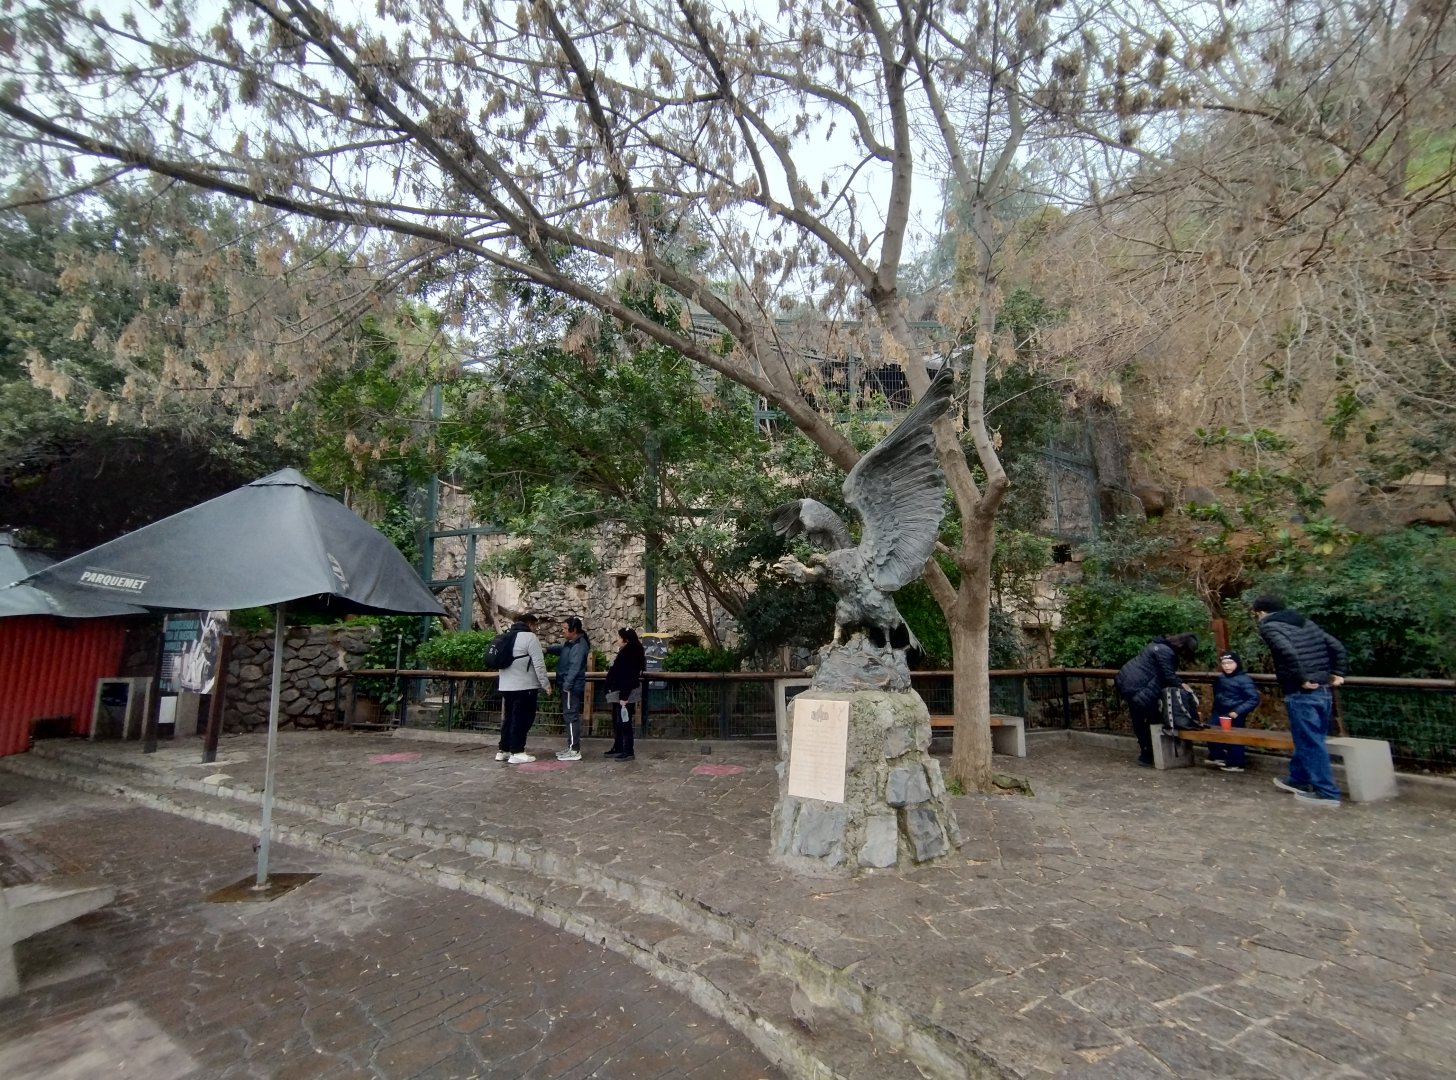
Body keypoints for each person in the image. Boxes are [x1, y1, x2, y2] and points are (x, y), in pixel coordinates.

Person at [1251, 595, 1347, 807]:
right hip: (1323, 690)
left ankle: (1327, 793)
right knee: (1309, 738)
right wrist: (1338, 672)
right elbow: (1336, 646)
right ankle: (1299, 780)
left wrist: (1302, 679)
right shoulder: (1305, 622)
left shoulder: (1269, 627)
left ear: (1261, 613)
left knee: (1311, 742)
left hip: (1301, 692)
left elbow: (1287, 652)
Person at [1114, 632, 1199, 767]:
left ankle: (1147, 754)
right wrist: (1184, 687)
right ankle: (1150, 754)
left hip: (1127, 682)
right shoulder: (1166, 652)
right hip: (1139, 688)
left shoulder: (1158, 645)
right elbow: (1169, 675)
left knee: (1140, 720)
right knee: (1154, 720)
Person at [496, 613, 552, 765]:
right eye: (535, 625)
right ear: (530, 624)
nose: (536, 629)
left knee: (509, 718)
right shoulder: (530, 638)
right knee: (523, 718)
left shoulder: (506, 636)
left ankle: (503, 750)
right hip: (524, 686)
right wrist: (545, 684)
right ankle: (517, 751)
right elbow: (539, 664)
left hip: (506, 686)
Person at [1205, 650, 1261, 773]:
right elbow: (1218, 694)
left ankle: (1236, 762)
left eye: (1230, 663)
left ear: (1237, 663)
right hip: (1219, 711)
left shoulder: (1244, 680)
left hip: (1235, 712)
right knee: (1211, 732)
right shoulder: (1221, 678)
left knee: (1235, 737)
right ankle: (1218, 755)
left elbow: (1253, 698)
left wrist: (1238, 711)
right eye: (1224, 663)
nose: (1227, 666)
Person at [546, 616, 590, 761]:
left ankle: (574, 749)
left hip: (571, 686)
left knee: (571, 716)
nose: (562, 631)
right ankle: (571, 746)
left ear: (574, 630)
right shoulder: (570, 643)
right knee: (568, 715)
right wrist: (548, 650)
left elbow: (575, 667)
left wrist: (567, 684)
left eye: (565, 628)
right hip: (567, 684)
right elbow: (562, 650)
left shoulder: (579, 645)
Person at [602, 627, 646, 761]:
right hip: (619, 690)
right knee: (618, 721)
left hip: (625, 693)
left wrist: (624, 696)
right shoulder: (626, 652)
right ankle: (619, 746)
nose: (617, 640)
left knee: (624, 722)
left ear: (625, 640)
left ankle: (628, 750)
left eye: (620, 637)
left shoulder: (630, 654)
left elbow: (628, 676)